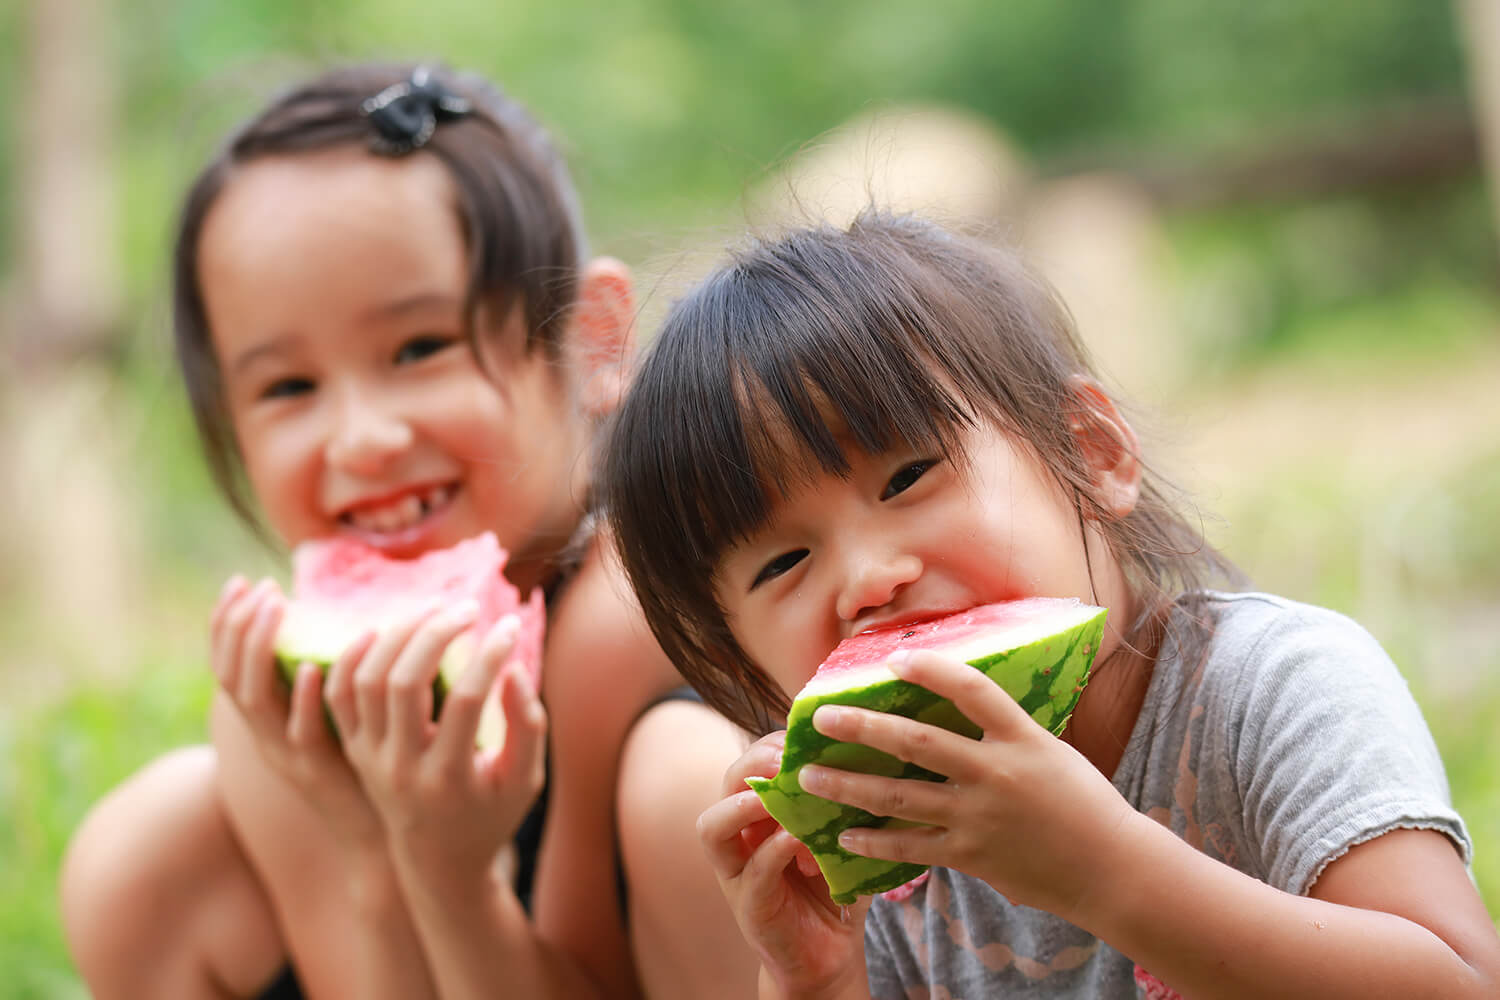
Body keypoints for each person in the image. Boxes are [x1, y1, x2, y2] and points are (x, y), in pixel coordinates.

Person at [600, 211, 1500, 998]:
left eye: (909, 476)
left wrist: (1098, 870)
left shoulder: (1273, 689)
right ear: (734, 660)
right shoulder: (879, 846)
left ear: (1093, 452)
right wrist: (816, 980)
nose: (868, 578)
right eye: (785, 560)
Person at [58, 61, 756, 1000]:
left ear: (591, 340)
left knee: (684, 787)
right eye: (288, 387)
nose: (363, 438)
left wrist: (456, 878)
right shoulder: (288, 702)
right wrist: (368, 842)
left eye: (420, 348)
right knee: (143, 850)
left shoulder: (622, 617)